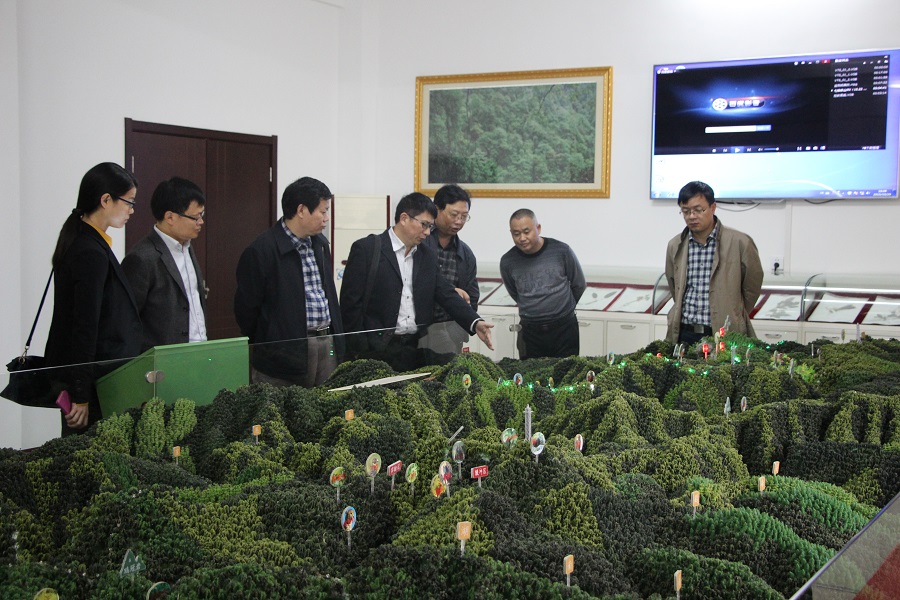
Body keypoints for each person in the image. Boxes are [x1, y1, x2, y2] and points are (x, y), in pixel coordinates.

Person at [340, 192, 494, 372]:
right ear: (404, 218)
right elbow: (350, 304)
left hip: (416, 348)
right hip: (375, 349)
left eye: (430, 226)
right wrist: (359, 347)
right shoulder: (368, 249)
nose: (428, 233)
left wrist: (475, 322)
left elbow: (446, 293)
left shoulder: (426, 255)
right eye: (424, 225)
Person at [45, 162, 143, 435]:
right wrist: (81, 395)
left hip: (97, 379)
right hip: (95, 384)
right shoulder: (90, 251)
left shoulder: (85, 240)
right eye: (129, 202)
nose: (132, 210)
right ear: (105, 200)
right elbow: (84, 327)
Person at [234, 176, 343, 387]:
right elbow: (246, 312)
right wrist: (272, 340)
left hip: (326, 344)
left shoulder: (320, 244)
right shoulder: (262, 250)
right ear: (301, 210)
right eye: (323, 211)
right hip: (284, 354)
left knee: (326, 403)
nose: (327, 218)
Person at [665, 180, 764, 345]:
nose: (691, 216)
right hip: (684, 332)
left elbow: (752, 286)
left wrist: (733, 311)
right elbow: (674, 285)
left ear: (713, 207)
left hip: (723, 332)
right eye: (686, 211)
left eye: (698, 210)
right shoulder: (675, 245)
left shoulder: (740, 242)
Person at [122, 177, 208, 351]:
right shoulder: (141, 258)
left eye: (202, 215)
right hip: (163, 359)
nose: (201, 222)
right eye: (195, 217)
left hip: (199, 352)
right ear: (170, 217)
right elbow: (126, 321)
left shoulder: (187, 246)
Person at [500, 209, 586, 359]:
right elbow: (515, 293)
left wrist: (562, 309)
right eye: (516, 234)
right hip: (530, 332)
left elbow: (578, 284)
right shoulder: (508, 261)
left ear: (538, 228)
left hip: (564, 328)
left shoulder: (561, 251)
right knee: (532, 373)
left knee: (567, 371)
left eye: (526, 232)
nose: (522, 238)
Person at [418, 184, 479, 363]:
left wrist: (456, 332)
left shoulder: (466, 253)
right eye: (454, 214)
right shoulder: (419, 243)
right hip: (417, 332)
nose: (459, 221)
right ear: (437, 209)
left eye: (464, 216)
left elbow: (472, 297)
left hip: (450, 333)